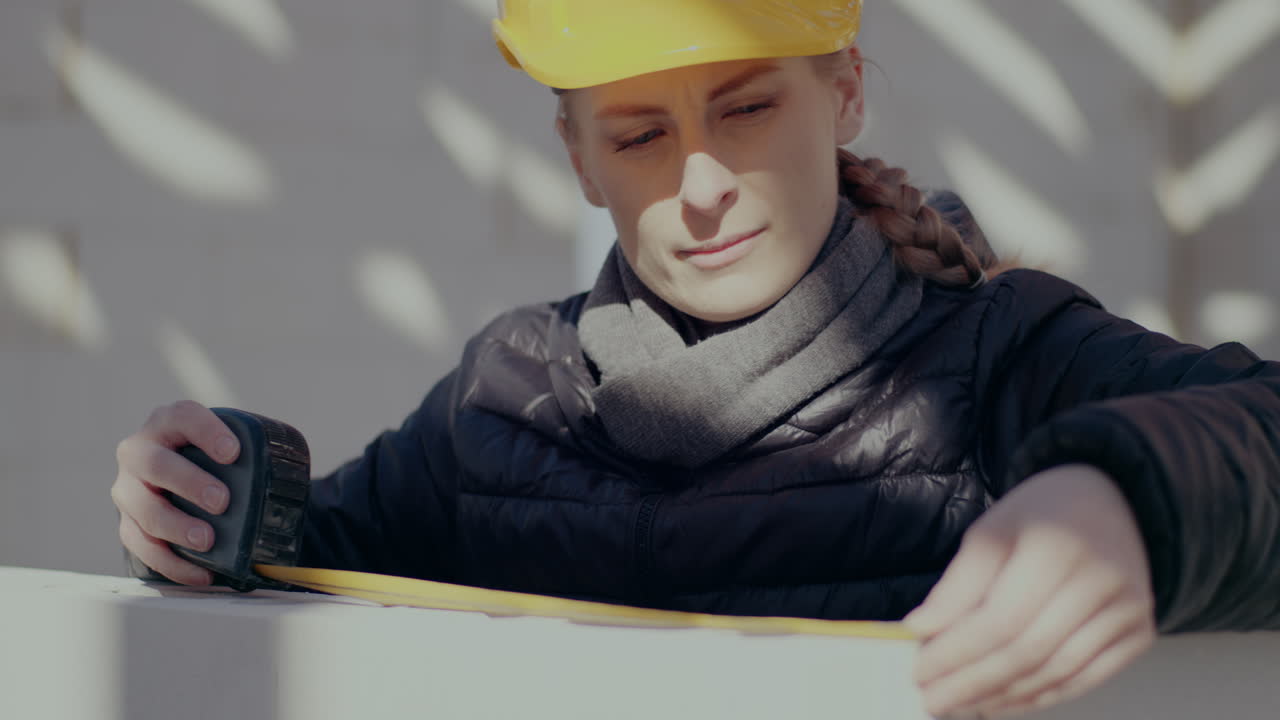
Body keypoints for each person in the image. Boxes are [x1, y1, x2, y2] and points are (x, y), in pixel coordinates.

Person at [111, 1, 1280, 717]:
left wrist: (1132, 495)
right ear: (577, 160)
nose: (702, 184)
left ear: (845, 94)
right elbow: (321, 561)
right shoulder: (503, 397)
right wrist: (215, 496)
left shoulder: (1004, 355)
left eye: (746, 109)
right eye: (638, 136)